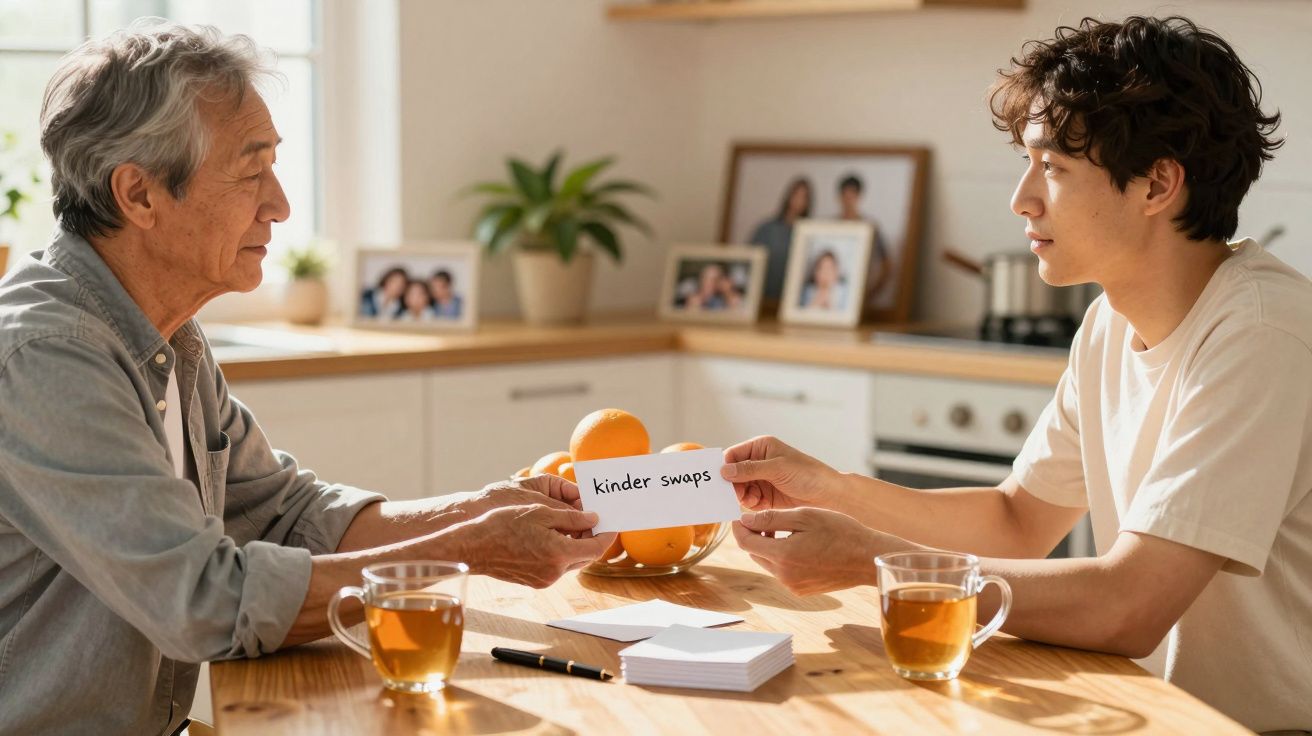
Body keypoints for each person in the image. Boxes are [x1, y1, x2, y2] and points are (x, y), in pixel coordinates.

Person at [0, 22, 613, 735]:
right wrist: (469, 549)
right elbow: (207, 602)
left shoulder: (168, 335)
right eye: (249, 171)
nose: (281, 204)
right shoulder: (46, 358)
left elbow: (286, 513)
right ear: (139, 196)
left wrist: (476, 509)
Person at [721, 16, 1309, 733]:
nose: (1022, 199)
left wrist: (879, 564)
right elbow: (1018, 520)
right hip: (1154, 713)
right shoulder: (1109, 323)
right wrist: (834, 492)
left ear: (1158, 184)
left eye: (1054, 168)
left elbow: (1127, 606)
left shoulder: (1262, 334)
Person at [835, 173, 893, 310]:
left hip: (859, 292)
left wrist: (871, 293)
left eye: (852, 195)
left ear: (859, 197)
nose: (848, 200)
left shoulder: (870, 228)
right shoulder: (830, 226)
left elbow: (887, 264)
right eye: (845, 195)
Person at [749, 176, 811, 301]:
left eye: (804, 197)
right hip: (764, 296)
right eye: (796, 195)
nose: (799, 201)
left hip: (794, 299)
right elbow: (750, 259)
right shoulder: (767, 229)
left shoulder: (809, 233)